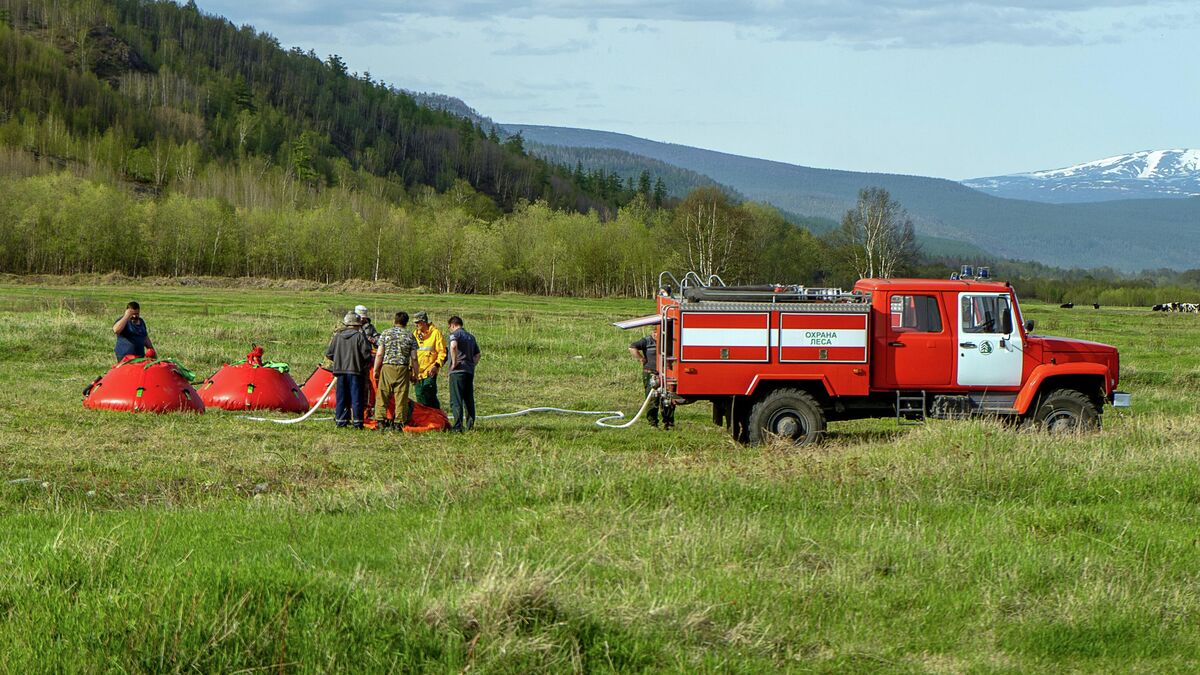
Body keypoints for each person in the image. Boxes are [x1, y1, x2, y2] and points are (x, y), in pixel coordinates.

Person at [372, 312, 419, 432]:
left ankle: (381, 421)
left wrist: (376, 370)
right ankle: (399, 423)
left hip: (387, 367)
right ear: (406, 322)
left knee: (383, 394)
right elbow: (414, 357)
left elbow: (379, 354)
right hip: (403, 368)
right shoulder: (410, 335)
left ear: (395, 320)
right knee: (401, 396)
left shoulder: (386, 333)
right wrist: (415, 374)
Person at [325, 312, 373, 429]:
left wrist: (339, 360)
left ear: (346, 323)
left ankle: (341, 421)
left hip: (339, 372)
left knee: (341, 397)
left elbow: (329, 354)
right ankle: (357, 422)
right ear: (358, 324)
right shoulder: (359, 337)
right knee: (356, 397)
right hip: (356, 372)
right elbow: (366, 355)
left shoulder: (337, 336)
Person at [629, 331, 673, 429]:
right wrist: (641, 358)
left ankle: (669, 423)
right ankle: (653, 423)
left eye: (659, 333)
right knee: (652, 398)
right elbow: (632, 347)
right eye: (655, 332)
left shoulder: (669, 341)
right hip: (650, 373)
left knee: (668, 398)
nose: (657, 335)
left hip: (666, 374)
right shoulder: (646, 341)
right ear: (652, 332)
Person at [446, 315, 481, 432]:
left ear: (452, 325)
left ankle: (457, 426)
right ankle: (470, 426)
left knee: (456, 399)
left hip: (457, 372)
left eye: (449, 327)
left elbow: (453, 346)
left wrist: (454, 363)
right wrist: (472, 365)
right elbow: (478, 355)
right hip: (469, 371)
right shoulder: (471, 337)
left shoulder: (455, 335)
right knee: (468, 399)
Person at [412, 311, 447, 409]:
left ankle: (438, 419)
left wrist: (436, 366)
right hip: (417, 372)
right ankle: (426, 421)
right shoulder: (415, 334)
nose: (416, 325)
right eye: (415, 323)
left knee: (429, 396)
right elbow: (412, 353)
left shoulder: (436, 333)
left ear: (424, 322)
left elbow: (443, 352)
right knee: (420, 396)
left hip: (430, 372)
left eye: (417, 322)